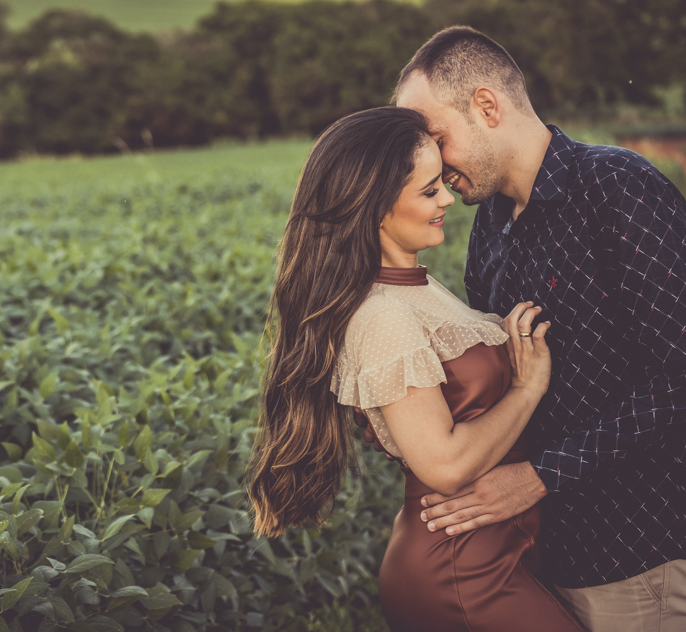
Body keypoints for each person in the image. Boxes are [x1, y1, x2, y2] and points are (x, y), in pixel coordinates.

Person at [387, 26, 686, 632]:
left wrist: (539, 478)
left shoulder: (619, 187)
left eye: (436, 138)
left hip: (635, 548)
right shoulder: (489, 222)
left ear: (487, 107)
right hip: (537, 552)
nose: (433, 163)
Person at [244, 106, 585, 631]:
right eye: (430, 192)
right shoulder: (383, 316)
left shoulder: (413, 285)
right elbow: (444, 465)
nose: (448, 199)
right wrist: (526, 387)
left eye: (443, 183)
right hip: (460, 573)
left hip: (490, 554)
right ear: (376, 207)